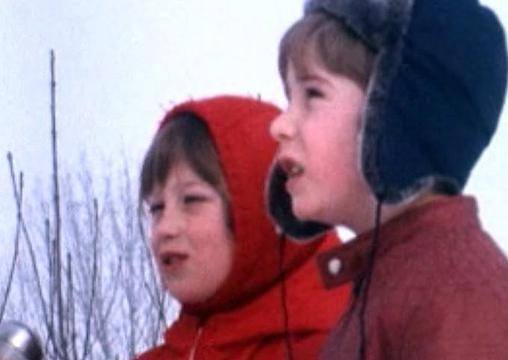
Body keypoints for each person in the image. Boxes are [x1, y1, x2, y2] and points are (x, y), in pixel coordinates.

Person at [266, 0, 508, 359]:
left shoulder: (455, 297)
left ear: (397, 113)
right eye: (288, 98)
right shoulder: (392, 284)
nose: (279, 125)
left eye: (312, 94)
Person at [135, 95, 349, 360]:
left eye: (192, 200)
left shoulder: (348, 345)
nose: (165, 228)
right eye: (156, 208)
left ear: (264, 207)